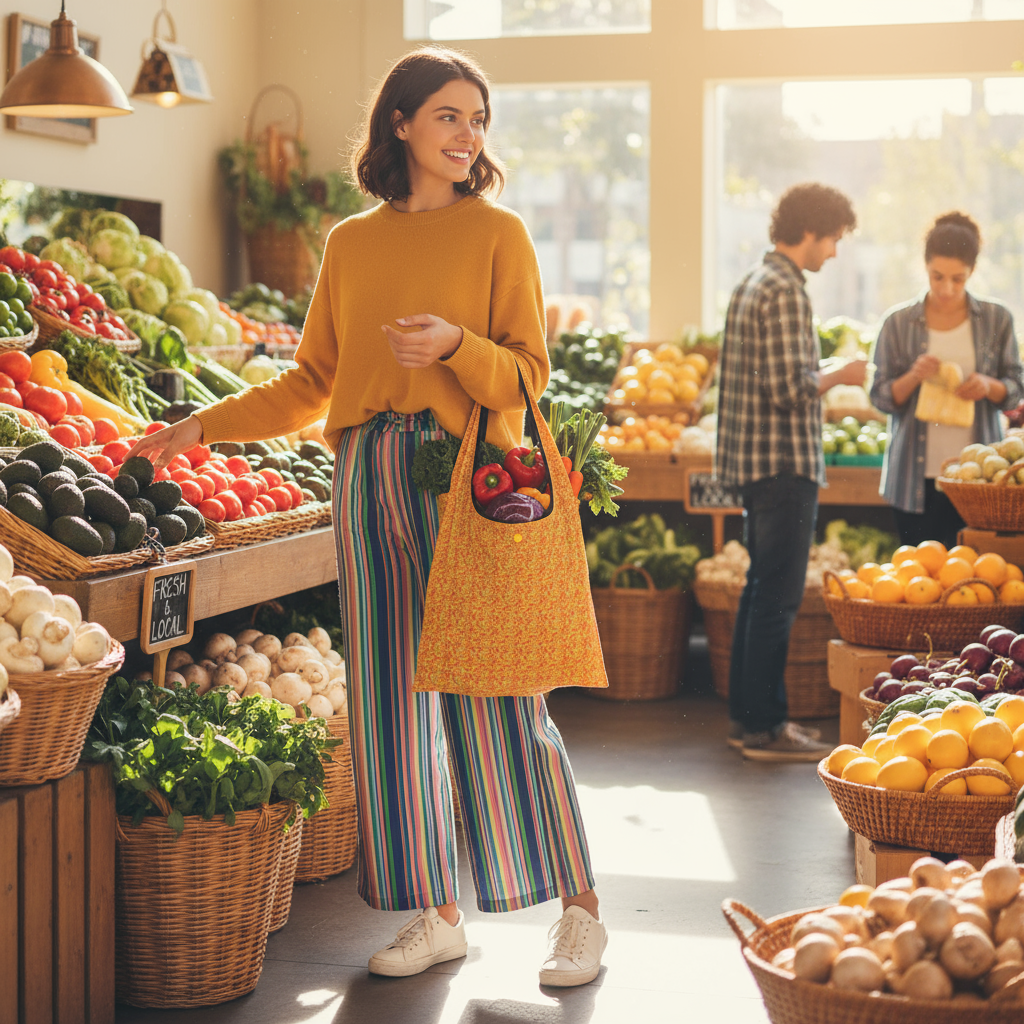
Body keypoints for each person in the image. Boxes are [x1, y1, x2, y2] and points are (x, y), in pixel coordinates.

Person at [127, 46, 607, 988]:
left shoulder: (498, 233)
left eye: (479, 120)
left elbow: (529, 377)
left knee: (497, 692)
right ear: (401, 123)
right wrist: (198, 429)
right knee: (388, 703)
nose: (470, 136)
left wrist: (457, 346)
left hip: (460, 478)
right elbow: (312, 381)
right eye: (450, 117)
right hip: (363, 477)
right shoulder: (351, 242)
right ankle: (435, 914)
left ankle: (578, 913)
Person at [715, 182, 867, 762]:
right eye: (833, 240)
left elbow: (780, 374)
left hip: (759, 464)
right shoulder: (786, 290)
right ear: (811, 231)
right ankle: (764, 727)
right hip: (784, 465)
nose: (832, 252)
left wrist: (824, 369)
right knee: (776, 596)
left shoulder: (755, 281)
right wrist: (842, 375)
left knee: (763, 591)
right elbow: (788, 388)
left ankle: (753, 721)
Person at [870, 212, 1024, 549]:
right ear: (924, 266)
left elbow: (1015, 389)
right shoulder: (897, 323)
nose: (946, 289)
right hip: (913, 478)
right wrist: (914, 375)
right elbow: (880, 397)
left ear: (973, 272)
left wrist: (988, 385)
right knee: (917, 578)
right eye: (937, 276)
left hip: (980, 480)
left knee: (975, 579)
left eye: (958, 279)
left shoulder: (997, 319)